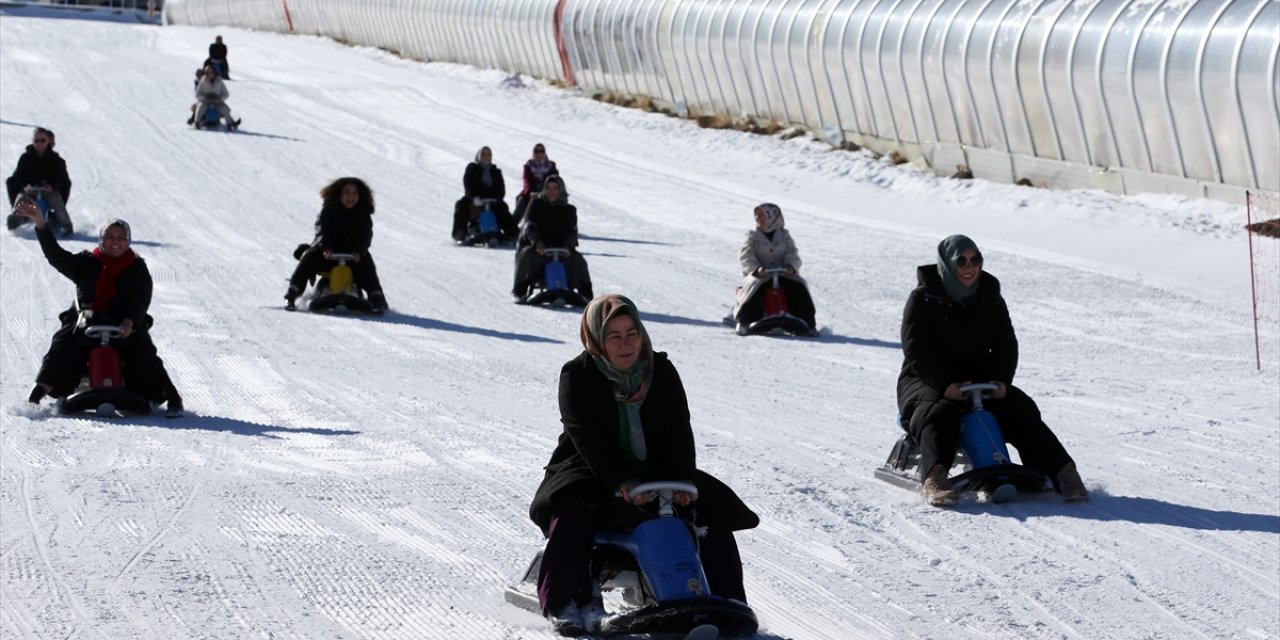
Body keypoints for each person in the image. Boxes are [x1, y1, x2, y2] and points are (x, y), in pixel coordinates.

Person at [529, 294, 759, 635]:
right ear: (597, 340)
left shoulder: (660, 371)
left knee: (709, 506)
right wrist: (622, 481)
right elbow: (586, 436)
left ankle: (727, 599)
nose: (626, 345)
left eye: (631, 333)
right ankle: (566, 599)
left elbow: (678, 430)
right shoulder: (577, 375)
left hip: (654, 468)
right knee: (576, 501)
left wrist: (681, 480)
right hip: (592, 467)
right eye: (614, 336)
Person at [897, 234, 1088, 506]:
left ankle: (1063, 472)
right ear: (947, 264)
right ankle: (935, 477)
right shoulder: (923, 299)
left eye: (976, 260)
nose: (969, 267)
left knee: (1020, 408)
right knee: (938, 411)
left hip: (979, 377)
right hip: (927, 379)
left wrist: (1001, 381)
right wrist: (944, 384)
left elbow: (1005, 345)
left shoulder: (990, 296)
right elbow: (917, 352)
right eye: (961, 260)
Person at [14, 201, 183, 417]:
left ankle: (172, 398)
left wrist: (131, 320)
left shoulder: (136, 267)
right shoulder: (86, 263)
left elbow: (142, 296)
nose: (115, 242)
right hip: (87, 323)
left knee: (144, 350)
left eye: (121, 237)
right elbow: (55, 255)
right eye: (110, 237)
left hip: (124, 324)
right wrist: (40, 222)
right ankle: (37, 395)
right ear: (101, 239)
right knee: (62, 345)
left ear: (128, 241)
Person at [285, 177, 388, 313]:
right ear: (339, 194)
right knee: (309, 257)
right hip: (327, 256)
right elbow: (322, 231)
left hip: (353, 257)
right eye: (347, 192)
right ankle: (292, 295)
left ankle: (376, 299)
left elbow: (365, 236)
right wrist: (326, 248)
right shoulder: (328, 211)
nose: (350, 197)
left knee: (367, 263)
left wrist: (359, 251)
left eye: (354, 193)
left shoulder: (363, 214)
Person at [731, 203, 817, 335]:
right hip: (760, 275)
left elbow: (792, 253)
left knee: (799, 286)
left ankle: (808, 323)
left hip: (782, 273)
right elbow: (746, 255)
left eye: (762, 215)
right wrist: (757, 269)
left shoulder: (784, 236)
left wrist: (791, 267)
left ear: (773, 218)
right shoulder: (752, 237)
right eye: (757, 215)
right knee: (754, 289)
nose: (758, 218)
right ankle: (744, 321)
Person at [512, 175, 592, 301]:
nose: (551, 191)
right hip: (540, 251)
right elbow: (530, 227)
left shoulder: (569, 210)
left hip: (561, 252)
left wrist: (568, 247)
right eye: (548, 188)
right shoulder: (537, 205)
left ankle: (586, 294)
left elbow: (572, 233)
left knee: (578, 259)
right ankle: (520, 292)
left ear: (561, 190)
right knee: (526, 255)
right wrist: (537, 243)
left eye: (555, 188)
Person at [6, 127, 73, 236]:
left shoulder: (55, 159)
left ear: (48, 141)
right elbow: (18, 177)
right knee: (22, 200)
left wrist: (52, 186)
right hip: (29, 191)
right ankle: (17, 220)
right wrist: (25, 186)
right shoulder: (25, 158)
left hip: (48, 191)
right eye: (36, 141)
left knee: (55, 199)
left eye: (43, 140)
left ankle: (65, 225)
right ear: (32, 141)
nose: (39, 143)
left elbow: (61, 178)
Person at [451, 146, 518, 243]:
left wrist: (497, 199)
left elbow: (501, 189)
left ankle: (513, 232)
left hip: (492, 201)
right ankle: (460, 232)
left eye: (488, 154)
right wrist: (473, 197)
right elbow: (468, 184)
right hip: (475, 200)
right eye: (483, 154)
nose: (486, 157)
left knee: (503, 208)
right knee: (461, 205)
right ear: (479, 156)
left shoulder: (496, 172)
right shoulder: (472, 168)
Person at [514, 143, 558, 222]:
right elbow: (527, 181)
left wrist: (546, 191)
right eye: (537, 151)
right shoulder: (528, 166)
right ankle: (512, 226)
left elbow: (555, 180)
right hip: (532, 190)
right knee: (522, 200)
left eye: (542, 151)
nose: (539, 153)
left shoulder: (551, 166)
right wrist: (532, 191)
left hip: (548, 191)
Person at [193, 64, 240, 130]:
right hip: (206, 102)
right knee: (200, 107)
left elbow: (226, 94)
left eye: (211, 72)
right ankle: (197, 123)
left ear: (214, 72)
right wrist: (205, 97)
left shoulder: (219, 81)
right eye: (208, 72)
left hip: (217, 102)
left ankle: (230, 124)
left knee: (225, 109)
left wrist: (219, 99)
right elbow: (197, 94)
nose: (210, 74)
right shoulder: (203, 82)